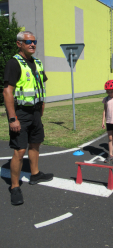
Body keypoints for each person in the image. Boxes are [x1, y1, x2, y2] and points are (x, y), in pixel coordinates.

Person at [3, 31, 53, 206]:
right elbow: (7, 91)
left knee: (35, 143)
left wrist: (41, 110)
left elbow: (40, 86)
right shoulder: (14, 63)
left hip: (36, 112)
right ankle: (15, 187)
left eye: (34, 41)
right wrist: (12, 118)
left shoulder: (37, 63)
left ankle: (35, 174)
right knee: (19, 150)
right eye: (28, 42)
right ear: (19, 44)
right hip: (21, 113)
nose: (32, 44)